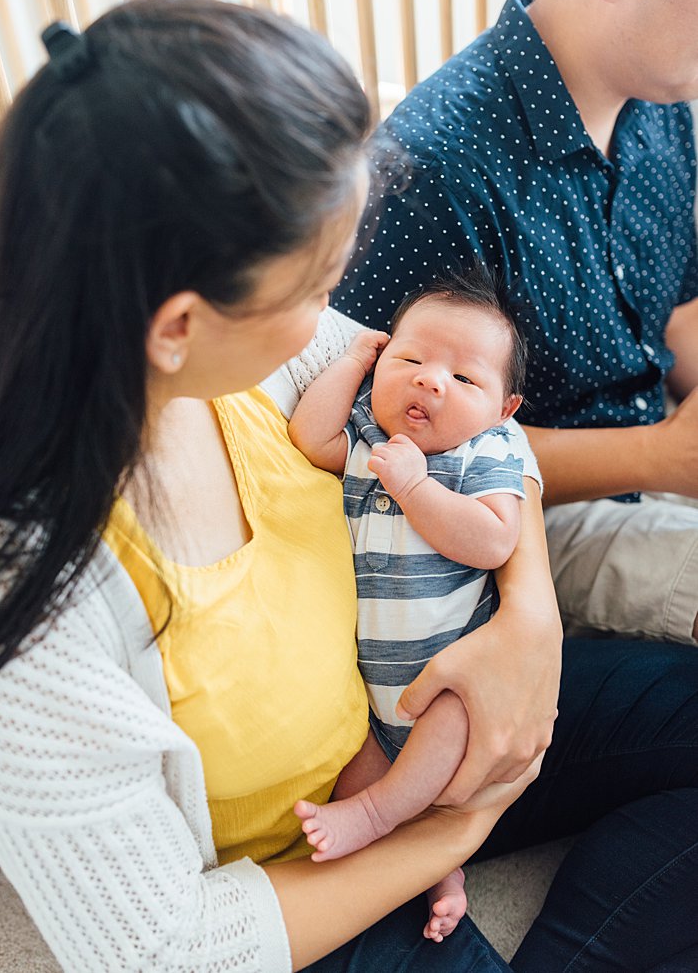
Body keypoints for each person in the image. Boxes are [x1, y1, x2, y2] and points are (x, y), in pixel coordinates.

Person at [0, 0, 698, 971]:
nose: (340, 319)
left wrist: (528, 618)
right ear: (178, 327)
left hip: (411, 718)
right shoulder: (17, 595)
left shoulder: (273, 368)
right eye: (316, 289)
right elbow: (166, 949)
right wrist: (438, 835)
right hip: (297, 863)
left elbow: (487, 433)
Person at [332, 0, 698, 645]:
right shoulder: (432, 171)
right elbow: (397, 437)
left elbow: (676, 314)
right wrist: (663, 458)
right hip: (514, 515)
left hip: (655, 443)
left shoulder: (663, 100)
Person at [287, 269, 529, 942]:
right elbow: (310, 438)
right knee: (350, 751)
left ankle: (374, 819)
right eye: (411, 359)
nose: (429, 381)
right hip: (370, 690)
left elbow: (494, 539)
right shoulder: (368, 443)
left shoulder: (482, 455)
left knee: (442, 729)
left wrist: (418, 490)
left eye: (464, 378)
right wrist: (355, 361)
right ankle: (440, 872)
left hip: (447, 679)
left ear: (504, 410)